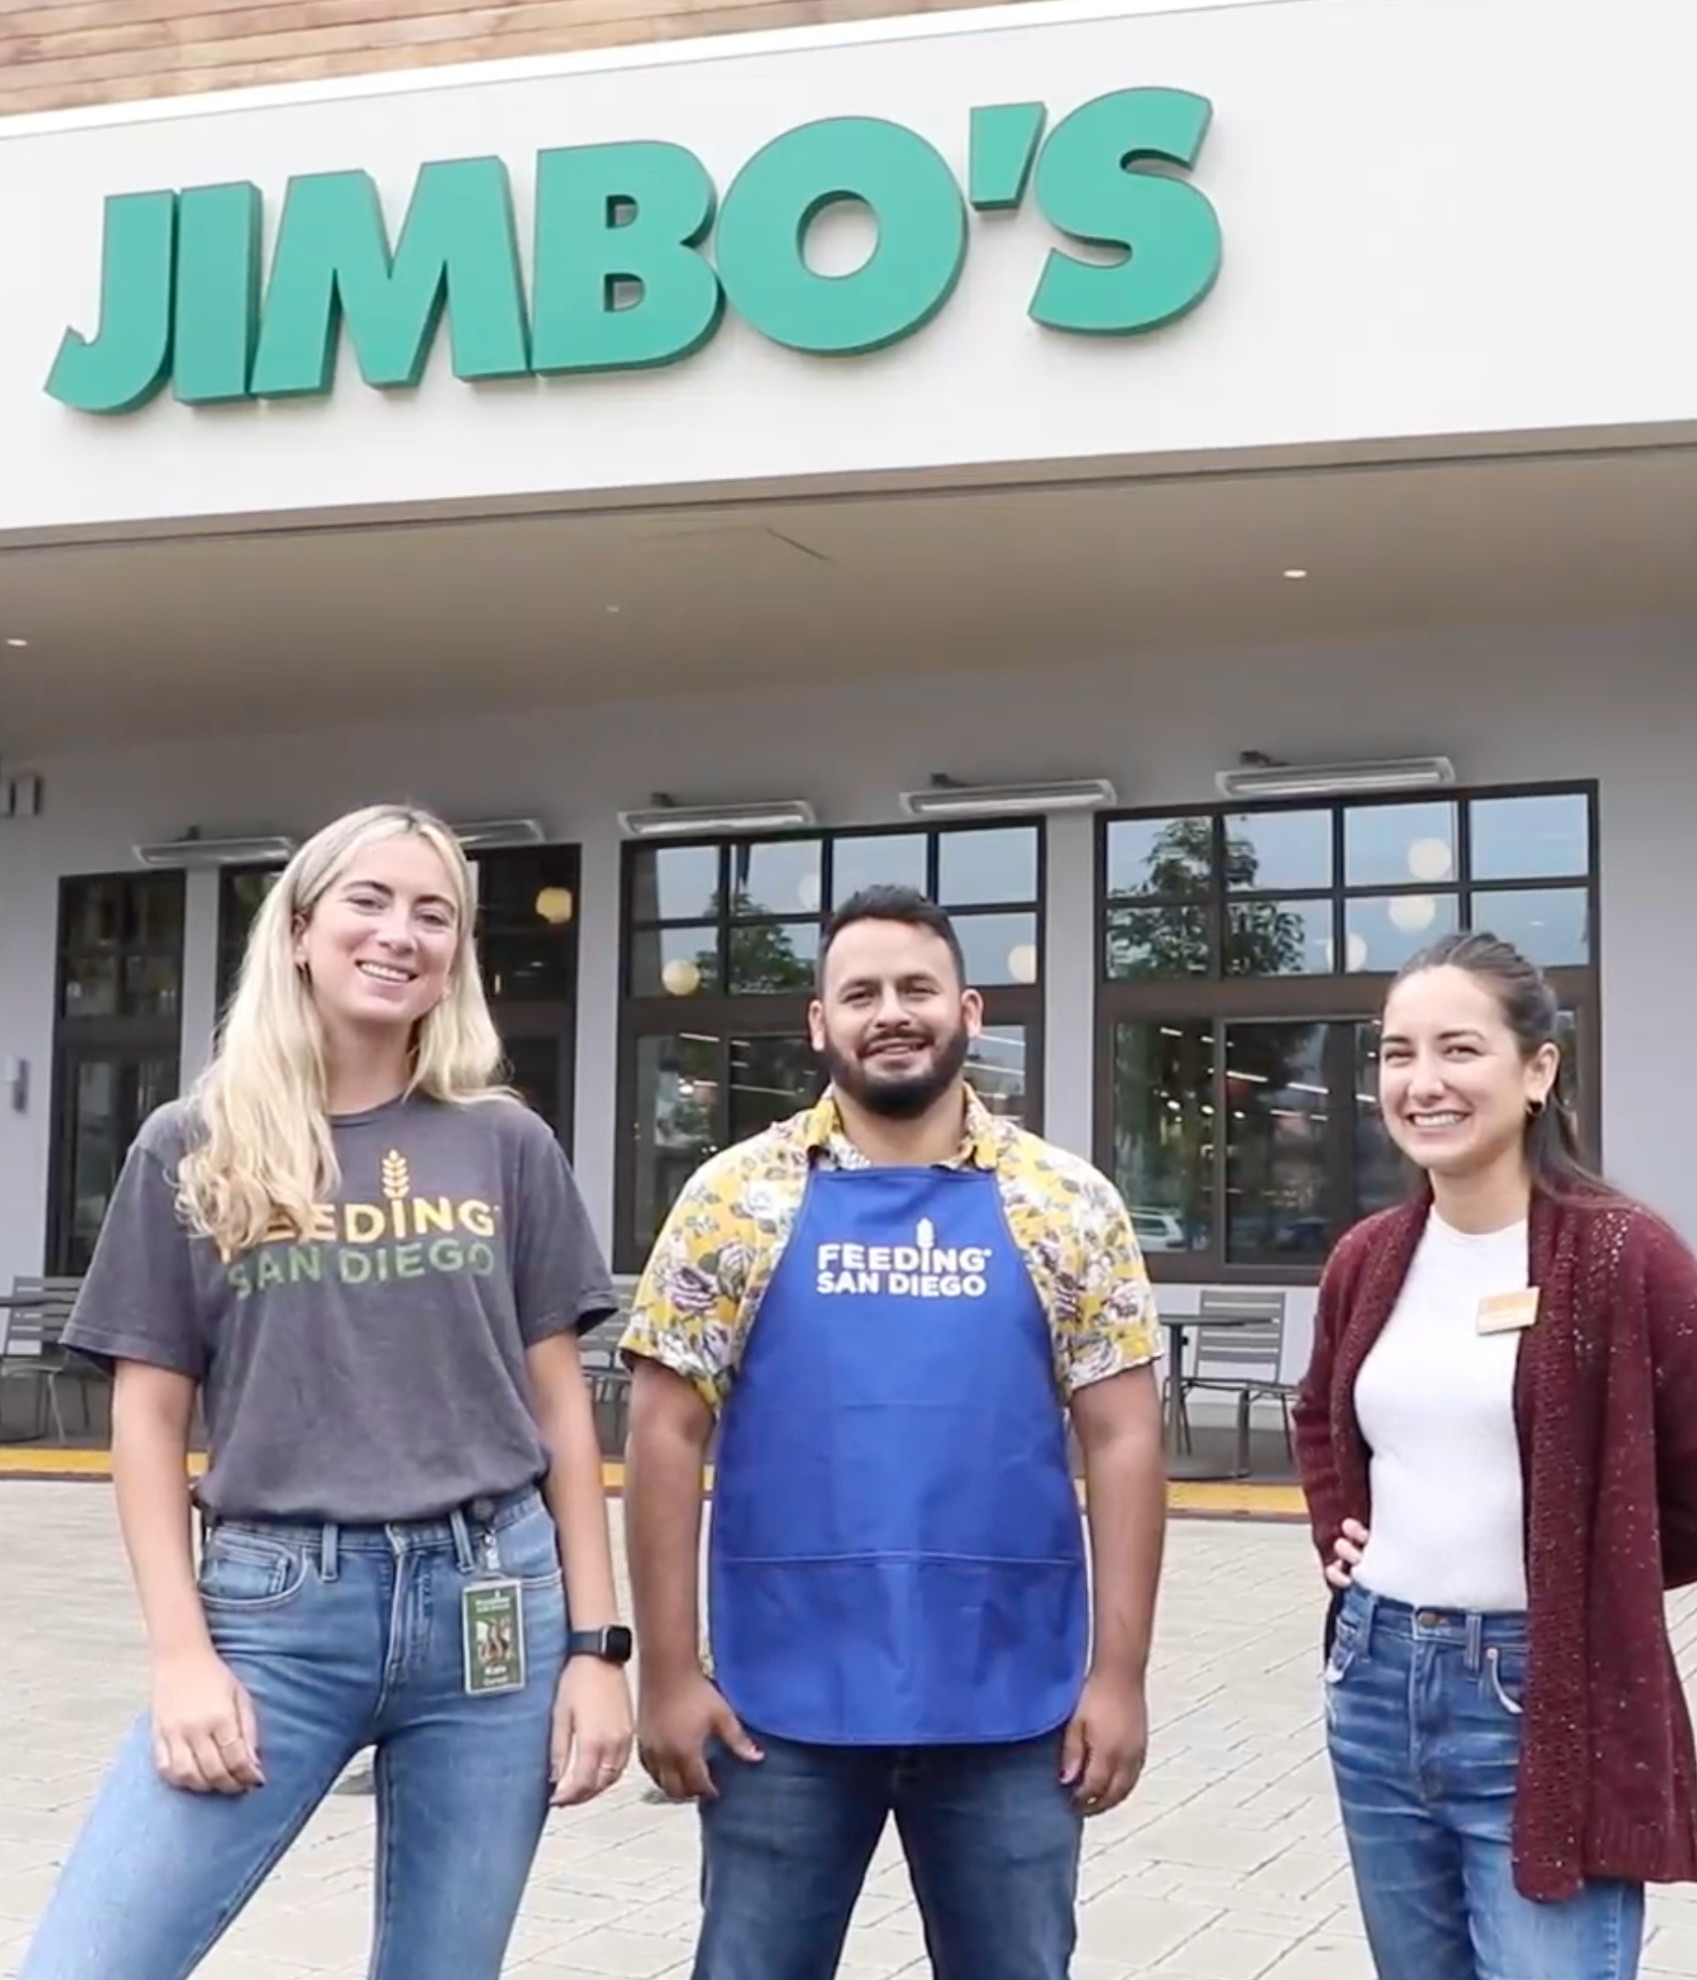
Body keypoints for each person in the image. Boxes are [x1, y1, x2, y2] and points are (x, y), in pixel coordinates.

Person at [20, 802, 635, 1980]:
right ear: (299, 928)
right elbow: (147, 1421)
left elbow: (560, 1405)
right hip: (275, 1615)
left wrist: (597, 1652)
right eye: (369, 900)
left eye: (433, 913)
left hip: (493, 1615)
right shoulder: (191, 1141)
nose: (400, 934)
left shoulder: (503, 1143)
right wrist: (180, 1656)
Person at [621, 884, 1167, 1980]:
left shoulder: (1066, 1203)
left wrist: (1117, 1679)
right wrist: (668, 1676)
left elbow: (1122, 1440)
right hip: (779, 1707)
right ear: (818, 1024)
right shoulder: (734, 1197)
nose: (891, 1012)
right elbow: (663, 1436)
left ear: (968, 1010)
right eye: (858, 992)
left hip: (1012, 1705)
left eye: (915, 988)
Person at [1293, 930, 1697, 1980]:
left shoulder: (1622, 1254)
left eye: (1456, 1049)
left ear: (1536, 1069)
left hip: (1538, 1692)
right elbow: (1319, 1418)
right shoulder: (1367, 1258)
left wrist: (1598, 1571)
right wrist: (1338, 1524)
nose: (1420, 1082)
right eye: (1394, 1053)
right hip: (1372, 1682)